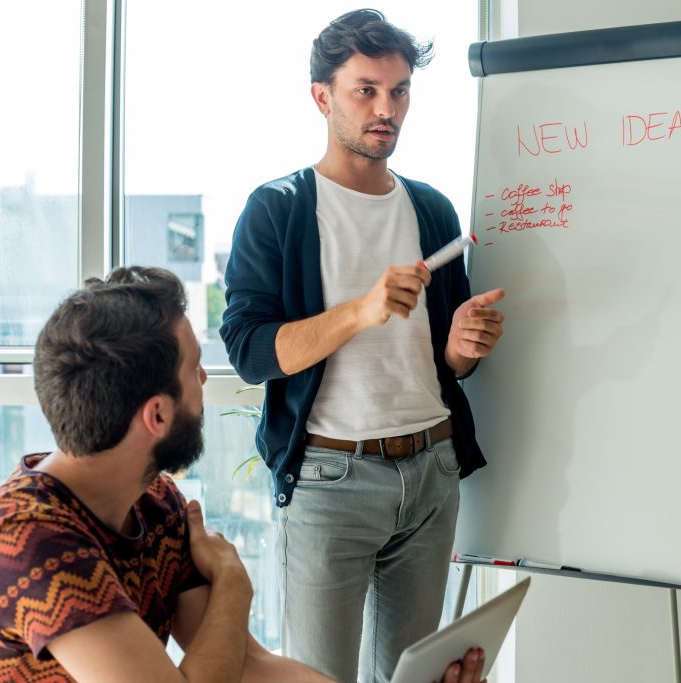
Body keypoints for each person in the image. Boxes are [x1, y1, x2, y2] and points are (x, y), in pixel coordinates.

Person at [0, 266, 486, 683]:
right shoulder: (30, 543)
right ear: (156, 415)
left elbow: (249, 666)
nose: (204, 382)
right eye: (195, 369)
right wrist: (233, 585)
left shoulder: (154, 501)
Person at [219, 8, 505, 683]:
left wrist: (466, 344)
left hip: (430, 472)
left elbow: (447, 365)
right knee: (318, 677)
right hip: (328, 484)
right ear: (322, 96)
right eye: (366, 90)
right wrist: (361, 310)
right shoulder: (279, 209)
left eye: (400, 90)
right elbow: (250, 351)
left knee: (414, 678)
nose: (387, 108)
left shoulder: (432, 209)